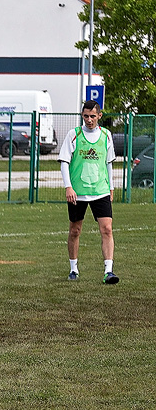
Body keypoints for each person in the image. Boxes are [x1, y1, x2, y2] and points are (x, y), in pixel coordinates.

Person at [59, 100, 119, 284]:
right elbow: (64, 162)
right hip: (78, 192)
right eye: (86, 116)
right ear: (82, 116)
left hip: (100, 191)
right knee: (75, 230)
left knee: (107, 229)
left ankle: (109, 271)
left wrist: (110, 187)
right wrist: (68, 186)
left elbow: (108, 163)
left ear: (99, 116)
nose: (89, 120)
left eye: (93, 116)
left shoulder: (106, 135)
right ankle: (73, 269)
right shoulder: (74, 134)